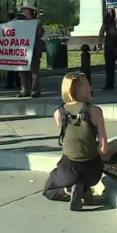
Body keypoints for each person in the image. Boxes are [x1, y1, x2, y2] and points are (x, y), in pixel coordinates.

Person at [43, 72, 107, 211]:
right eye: (88, 85)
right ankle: (83, 188)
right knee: (87, 171)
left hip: (69, 169)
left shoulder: (58, 113)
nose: (91, 88)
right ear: (78, 90)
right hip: (93, 172)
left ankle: (67, 190)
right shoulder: (96, 111)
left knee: (48, 189)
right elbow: (103, 148)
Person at [17, 2, 45, 98]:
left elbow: (41, 34)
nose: (23, 11)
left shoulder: (36, 21)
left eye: (25, 9)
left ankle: (35, 90)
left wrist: (38, 26)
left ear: (30, 11)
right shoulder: (20, 22)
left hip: (33, 48)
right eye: (23, 9)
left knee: (34, 70)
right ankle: (25, 90)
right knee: (22, 71)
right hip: (23, 49)